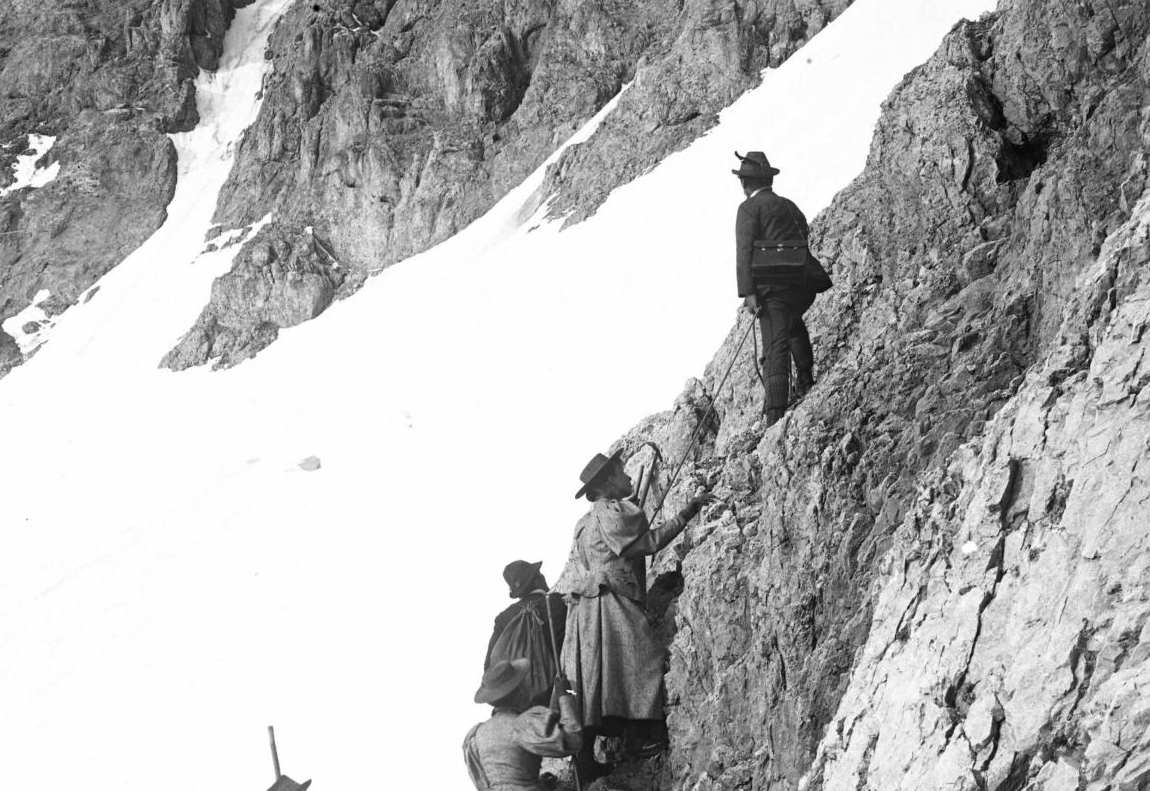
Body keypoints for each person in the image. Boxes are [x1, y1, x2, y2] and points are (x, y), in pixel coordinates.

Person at [553, 449, 709, 773]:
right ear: (608, 482)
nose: (627, 477)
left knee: (596, 678)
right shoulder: (611, 512)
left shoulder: (584, 523)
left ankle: (586, 758)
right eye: (622, 473)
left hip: (587, 608)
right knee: (644, 659)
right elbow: (649, 543)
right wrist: (686, 514)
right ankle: (638, 737)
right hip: (611, 601)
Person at [733, 150, 826, 426]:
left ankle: (775, 413)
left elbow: (744, 252)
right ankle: (806, 379)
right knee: (793, 325)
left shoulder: (748, 209)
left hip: (771, 290)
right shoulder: (789, 205)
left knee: (775, 346)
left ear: (745, 183)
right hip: (801, 285)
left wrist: (749, 292)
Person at [463, 658, 583, 791]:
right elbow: (574, 740)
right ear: (520, 692)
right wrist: (565, 696)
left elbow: (484, 785)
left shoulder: (477, 735)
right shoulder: (522, 724)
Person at [484, 560, 568, 708]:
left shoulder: (504, 619)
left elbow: (489, 669)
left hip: (522, 706)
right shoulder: (559, 603)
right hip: (560, 698)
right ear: (538, 579)